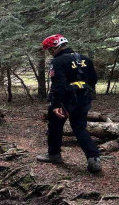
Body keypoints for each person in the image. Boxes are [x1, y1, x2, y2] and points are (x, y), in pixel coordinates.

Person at [37, 34, 101, 173]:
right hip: (84, 98)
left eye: (50, 49)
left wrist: (56, 105)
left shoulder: (58, 62)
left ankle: (54, 155)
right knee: (79, 128)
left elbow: (58, 85)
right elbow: (94, 79)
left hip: (65, 99)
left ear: (56, 47)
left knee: (55, 126)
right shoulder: (85, 59)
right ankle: (93, 158)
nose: (50, 52)